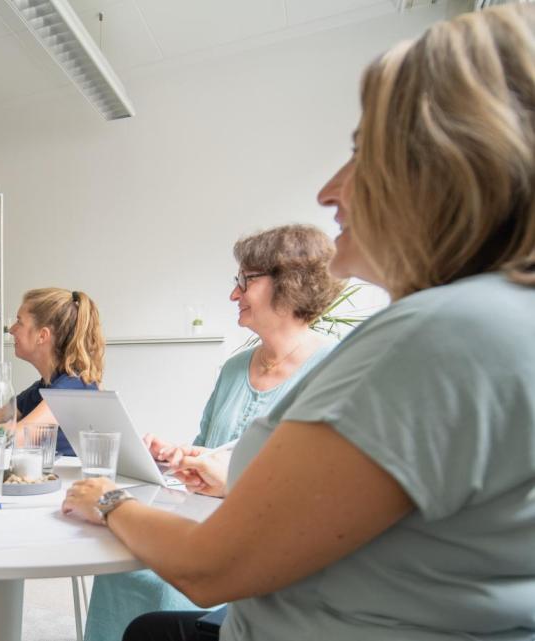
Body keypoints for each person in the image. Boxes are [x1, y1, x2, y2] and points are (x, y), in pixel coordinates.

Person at [63, 6, 535, 640]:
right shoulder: (495, 314)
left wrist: (108, 499)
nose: (329, 191)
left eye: (361, 153)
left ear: (446, 163)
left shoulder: (439, 333)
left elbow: (213, 567)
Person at [82, 225, 343, 641]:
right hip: (200, 518)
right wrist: (180, 453)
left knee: (162, 578)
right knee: (121, 562)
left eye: (245, 281)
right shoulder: (235, 369)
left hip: (259, 545)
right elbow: (212, 443)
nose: (233, 294)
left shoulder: (337, 368)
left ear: (290, 284)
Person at [5, 287, 105, 456]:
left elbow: (11, 440)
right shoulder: (42, 388)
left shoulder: (75, 388)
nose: (11, 329)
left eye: (19, 321)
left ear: (42, 336)